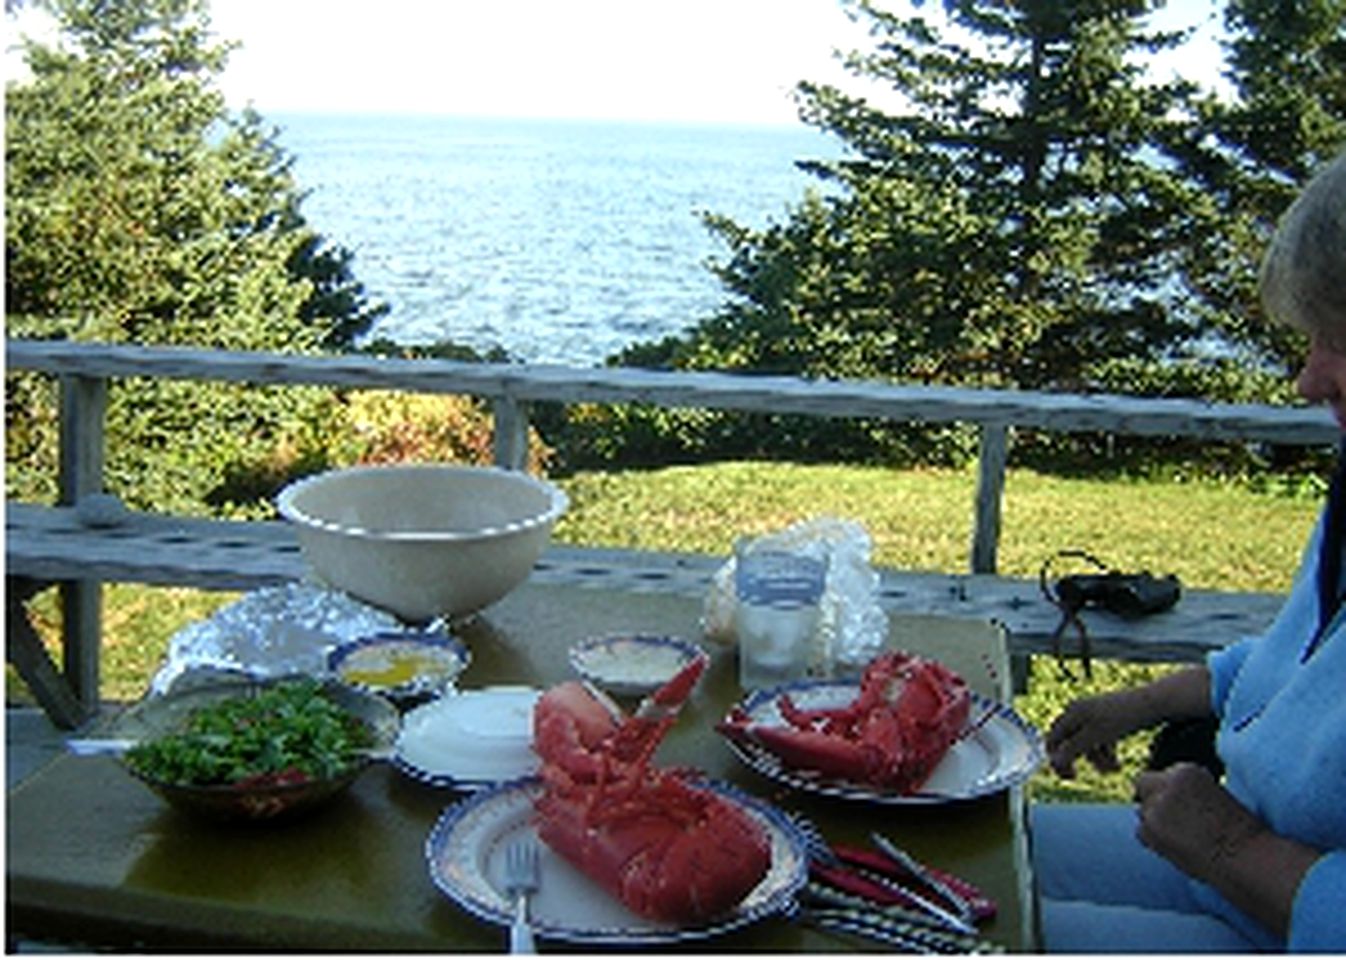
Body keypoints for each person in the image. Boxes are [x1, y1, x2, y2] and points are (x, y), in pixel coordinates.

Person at [1032, 149, 1346, 953]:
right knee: (943, 876)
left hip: (1289, 916)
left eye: (1339, 341)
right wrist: (1134, 703)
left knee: (970, 939)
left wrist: (1232, 850)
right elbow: (1294, 667)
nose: (1310, 380)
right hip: (1234, 871)